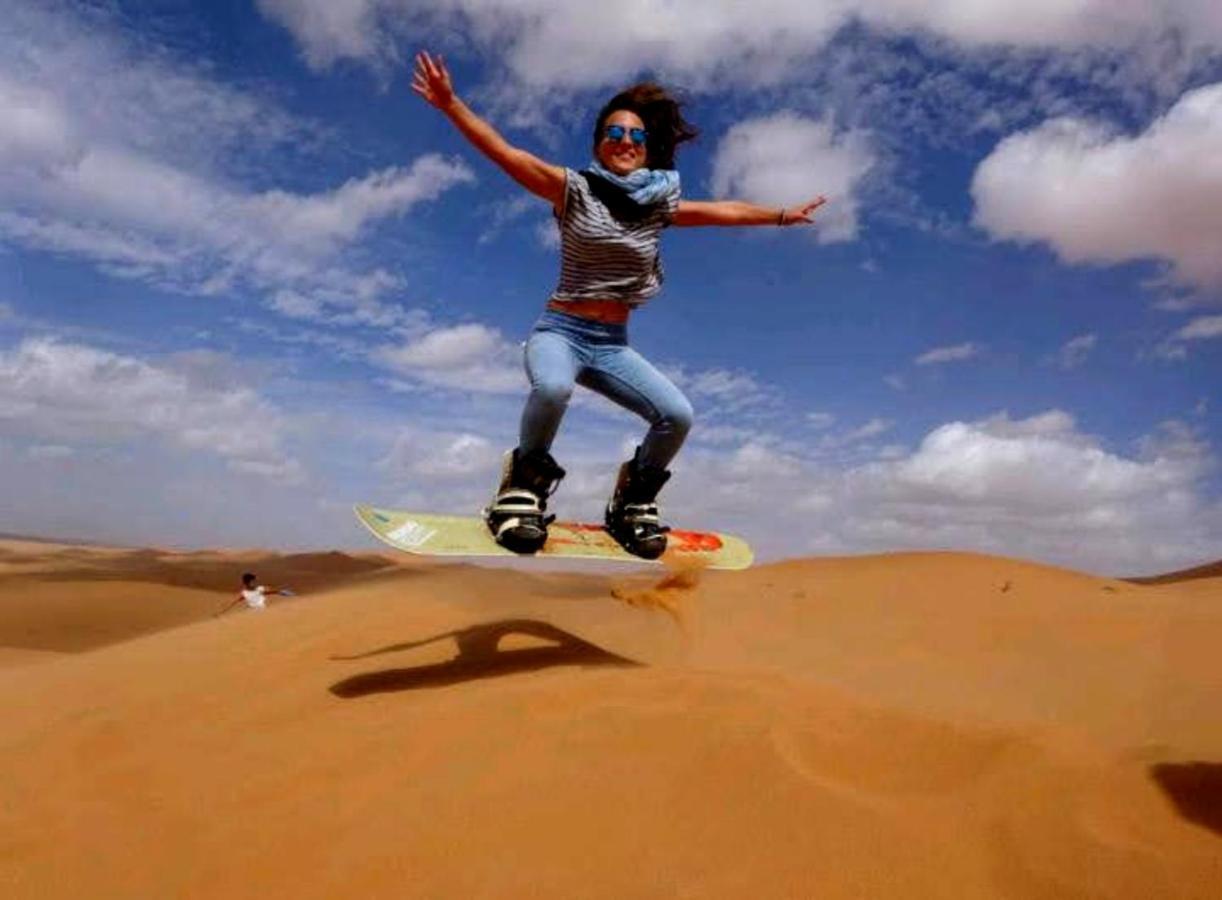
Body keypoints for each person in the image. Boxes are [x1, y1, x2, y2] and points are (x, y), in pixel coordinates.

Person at [412, 51, 825, 559]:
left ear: (647, 148)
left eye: (635, 136)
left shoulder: (658, 206)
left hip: (611, 346)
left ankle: (632, 501)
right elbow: (506, 154)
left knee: (677, 414)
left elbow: (724, 211)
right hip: (560, 333)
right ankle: (521, 490)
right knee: (554, 387)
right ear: (598, 145)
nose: (625, 143)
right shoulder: (574, 190)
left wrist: (782, 215)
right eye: (614, 134)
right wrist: (452, 105)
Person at [214, 572, 291, 617]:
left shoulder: (256, 590)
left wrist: (281, 592)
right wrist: (221, 612)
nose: (255, 582)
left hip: (259, 613)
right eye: (254, 581)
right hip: (255, 614)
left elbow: (271, 592)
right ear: (249, 582)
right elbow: (233, 603)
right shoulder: (247, 592)